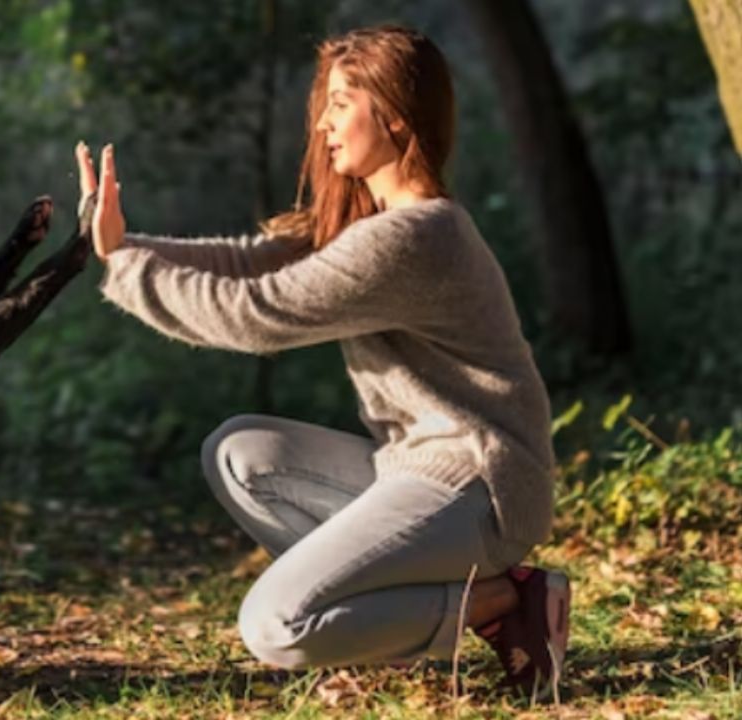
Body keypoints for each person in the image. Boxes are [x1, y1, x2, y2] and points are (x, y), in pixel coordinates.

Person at [74, 25, 569, 697]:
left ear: (394, 113)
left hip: (482, 488)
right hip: (420, 472)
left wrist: (126, 266)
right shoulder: (382, 225)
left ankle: (498, 605)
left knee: (277, 625)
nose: (323, 125)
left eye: (341, 103)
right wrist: (124, 244)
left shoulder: (416, 237)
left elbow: (253, 313)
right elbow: (250, 262)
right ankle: (393, 615)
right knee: (241, 454)